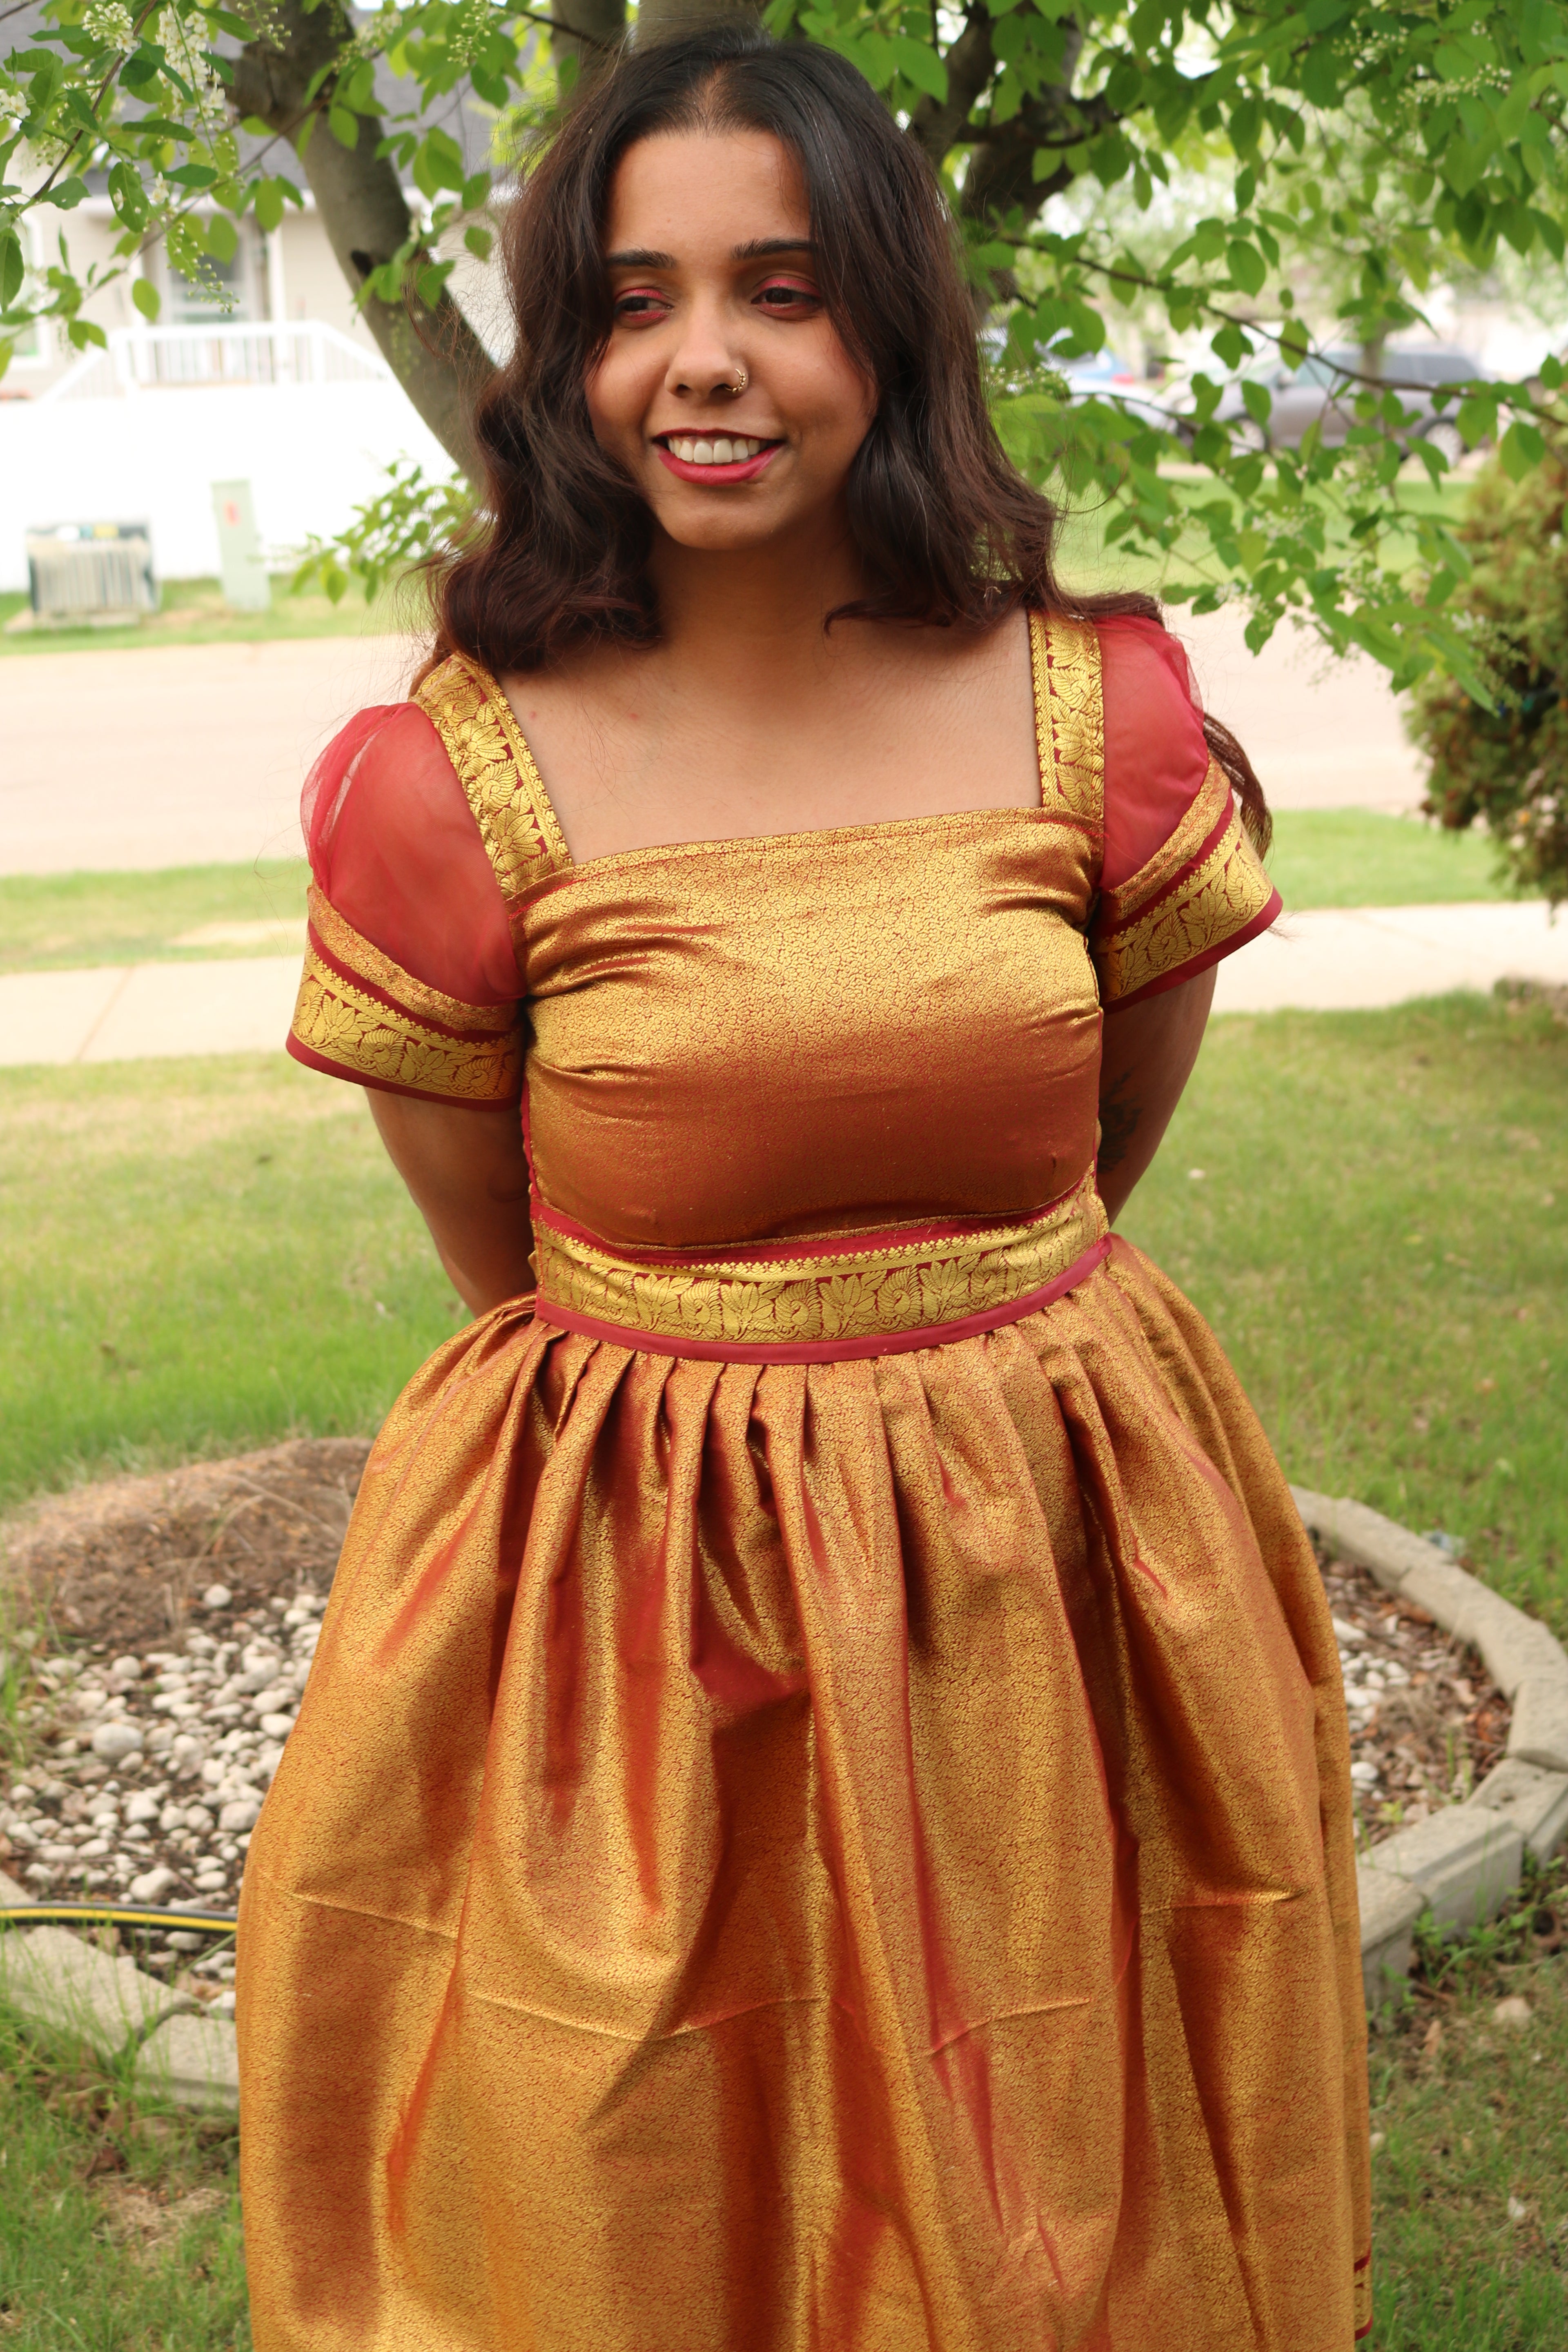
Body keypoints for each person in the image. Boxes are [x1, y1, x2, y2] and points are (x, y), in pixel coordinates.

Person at [236, 22, 1370, 2350]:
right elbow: (514, 1263)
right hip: (648, 1595)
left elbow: (1088, 1159)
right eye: (635, 302)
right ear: (566, 355)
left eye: (780, 286)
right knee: (654, 2165)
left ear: (891, 321)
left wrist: (936, 1369)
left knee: (1068, 2170)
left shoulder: (1103, 716)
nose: (705, 363)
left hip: (1058, 1550)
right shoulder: (447, 788)